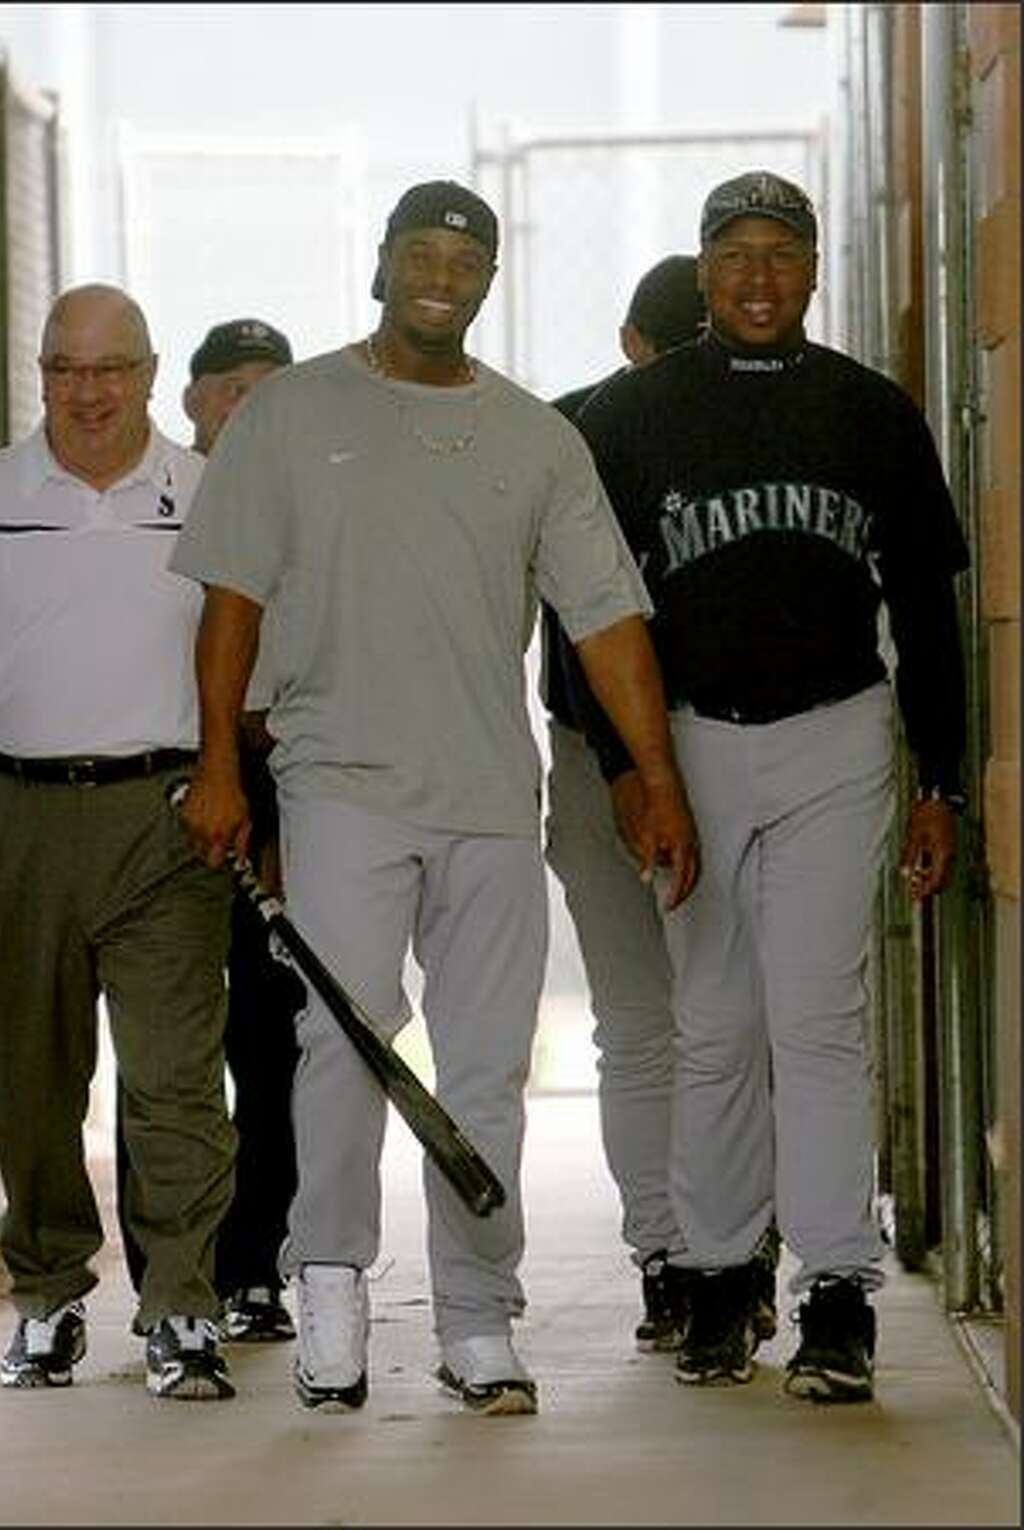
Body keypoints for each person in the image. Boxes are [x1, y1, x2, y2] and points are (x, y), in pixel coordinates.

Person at [168, 179, 699, 1417]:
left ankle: (475, 1319)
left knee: (487, 1068)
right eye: (421, 251)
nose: (441, 273)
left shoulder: (534, 437)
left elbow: (607, 617)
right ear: (381, 266)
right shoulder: (294, 413)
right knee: (342, 1047)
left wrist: (656, 778)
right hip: (340, 780)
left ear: (489, 280)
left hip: (489, 800)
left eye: (467, 257)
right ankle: (336, 1286)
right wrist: (216, 765)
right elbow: (231, 603)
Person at [575, 170, 969, 1402]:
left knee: (816, 1014)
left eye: (781, 254)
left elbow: (926, 609)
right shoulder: (633, 418)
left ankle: (837, 1292)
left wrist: (941, 778)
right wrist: (623, 770)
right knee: (714, 1018)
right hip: (687, 741)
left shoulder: (871, 411)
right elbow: (587, 614)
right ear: (703, 271)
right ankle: (719, 1271)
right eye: (735, 253)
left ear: (812, 270)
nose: (757, 276)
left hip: (837, 733)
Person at [0, 283, 238, 1401]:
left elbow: (256, 655)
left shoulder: (207, 495)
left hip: (165, 816)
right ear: (42, 374)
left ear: (149, 372)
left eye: (110, 369)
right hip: (16, 817)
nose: (88, 393)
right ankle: (48, 1299)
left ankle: (183, 1308)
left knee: (177, 1077)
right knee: (32, 1075)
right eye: (64, 369)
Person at [114, 316, 304, 1344]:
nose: (246, 404)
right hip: (170, 785)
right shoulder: (155, 503)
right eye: (228, 386)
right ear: (189, 399)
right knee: (167, 1046)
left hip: (276, 783)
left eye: (268, 386)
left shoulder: (308, 504)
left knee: (275, 1041)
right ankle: (167, 1274)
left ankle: (259, 1268)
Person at [540, 255, 715, 1355]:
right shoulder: (567, 437)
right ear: (632, 346)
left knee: (697, 1023)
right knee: (657, 1022)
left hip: (710, 749)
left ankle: (709, 1246)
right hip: (612, 752)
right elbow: (567, 631)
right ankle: (673, 1248)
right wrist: (622, 765)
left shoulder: (575, 427)